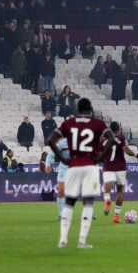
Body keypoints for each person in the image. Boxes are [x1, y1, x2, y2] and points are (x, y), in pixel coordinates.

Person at [49, 97, 115, 248]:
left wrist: (63, 159)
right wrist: (101, 156)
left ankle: (63, 240)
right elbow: (111, 139)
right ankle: (82, 241)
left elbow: (51, 140)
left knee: (69, 202)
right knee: (88, 203)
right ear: (91, 109)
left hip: (73, 165)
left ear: (77, 110)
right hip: (90, 166)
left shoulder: (69, 123)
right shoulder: (98, 123)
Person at [102, 121, 137, 224]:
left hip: (108, 166)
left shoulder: (104, 140)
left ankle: (107, 199)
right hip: (120, 167)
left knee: (107, 187)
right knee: (120, 191)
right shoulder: (121, 139)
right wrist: (135, 154)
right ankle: (116, 216)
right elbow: (126, 150)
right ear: (118, 129)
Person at [42, 137, 70, 218]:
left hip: (75, 169)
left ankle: (89, 212)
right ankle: (62, 213)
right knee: (61, 190)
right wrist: (47, 165)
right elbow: (50, 155)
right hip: (63, 169)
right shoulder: (62, 143)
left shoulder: (78, 142)